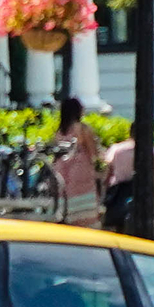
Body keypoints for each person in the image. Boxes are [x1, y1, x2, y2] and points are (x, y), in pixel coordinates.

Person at [49, 96, 105, 225]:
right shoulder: (83, 128)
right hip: (80, 169)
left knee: (67, 204)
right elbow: (93, 154)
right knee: (85, 213)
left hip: (61, 170)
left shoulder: (59, 132)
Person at [103, 132, 154, 231]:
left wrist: (105, 198)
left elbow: (108, 178)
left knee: (120, 232)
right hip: (145, 196)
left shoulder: (116, 149)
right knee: (144, 232)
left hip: (119, 195)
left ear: (130, 133)